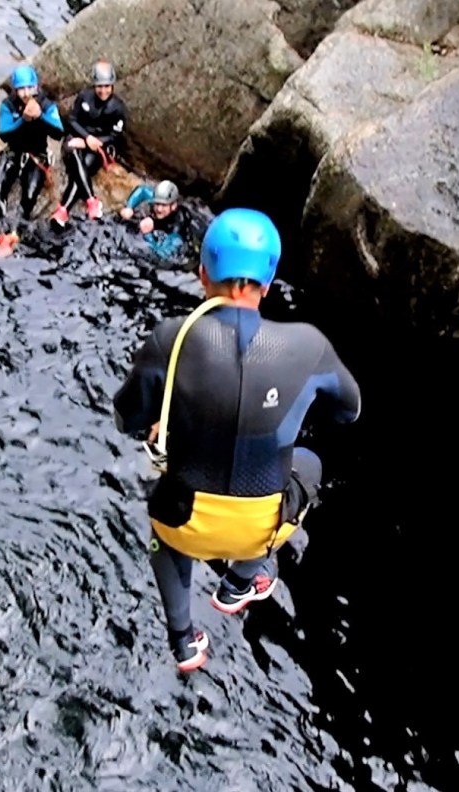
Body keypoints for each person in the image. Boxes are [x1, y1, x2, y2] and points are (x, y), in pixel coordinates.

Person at [113, 208, 361, 672]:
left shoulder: (170, 339)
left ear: (203, 274)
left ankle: (184, 641)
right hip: (262, 525)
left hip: (184, 521)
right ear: (267, 284)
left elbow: (127, 419)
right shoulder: (308, 344)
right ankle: (238, 583)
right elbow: (350, 411)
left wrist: (156, 422)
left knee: (163, 535)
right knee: (308, 462)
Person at [0, 64, 64, 246]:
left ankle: (17, 232)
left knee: (29, 196)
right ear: (15, 90)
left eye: (29, 88)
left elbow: (58, 132)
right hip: (14, 151)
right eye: (21, 89)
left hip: (36, 155)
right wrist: (23, 120)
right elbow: (4, 133)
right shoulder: (8, 105)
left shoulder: (46, 105)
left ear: (36, 87)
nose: (25, 94)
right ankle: (1, 227)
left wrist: (40, 117)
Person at [50, 60, 127, 229]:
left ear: (112, 86)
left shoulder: (117, 107)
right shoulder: (85, 97)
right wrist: (86, 138)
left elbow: (115, 135)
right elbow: (72, 120)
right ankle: (91, 200)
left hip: (98, 145)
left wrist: (90, 142)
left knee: (82, 169)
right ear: (94, 85)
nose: (103, 90)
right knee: (72, 151)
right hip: (78, 138)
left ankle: (63, 209)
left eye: (107, 86)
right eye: (100, 86)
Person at [118, 179, 194, 259]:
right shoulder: (159, 199)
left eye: (164, 205)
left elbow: (161, 255)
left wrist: (147, 235)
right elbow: (142, 190)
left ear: (173, 206)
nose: (159, 209)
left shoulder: (177, 227)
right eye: (157, 204)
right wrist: (129, 207)